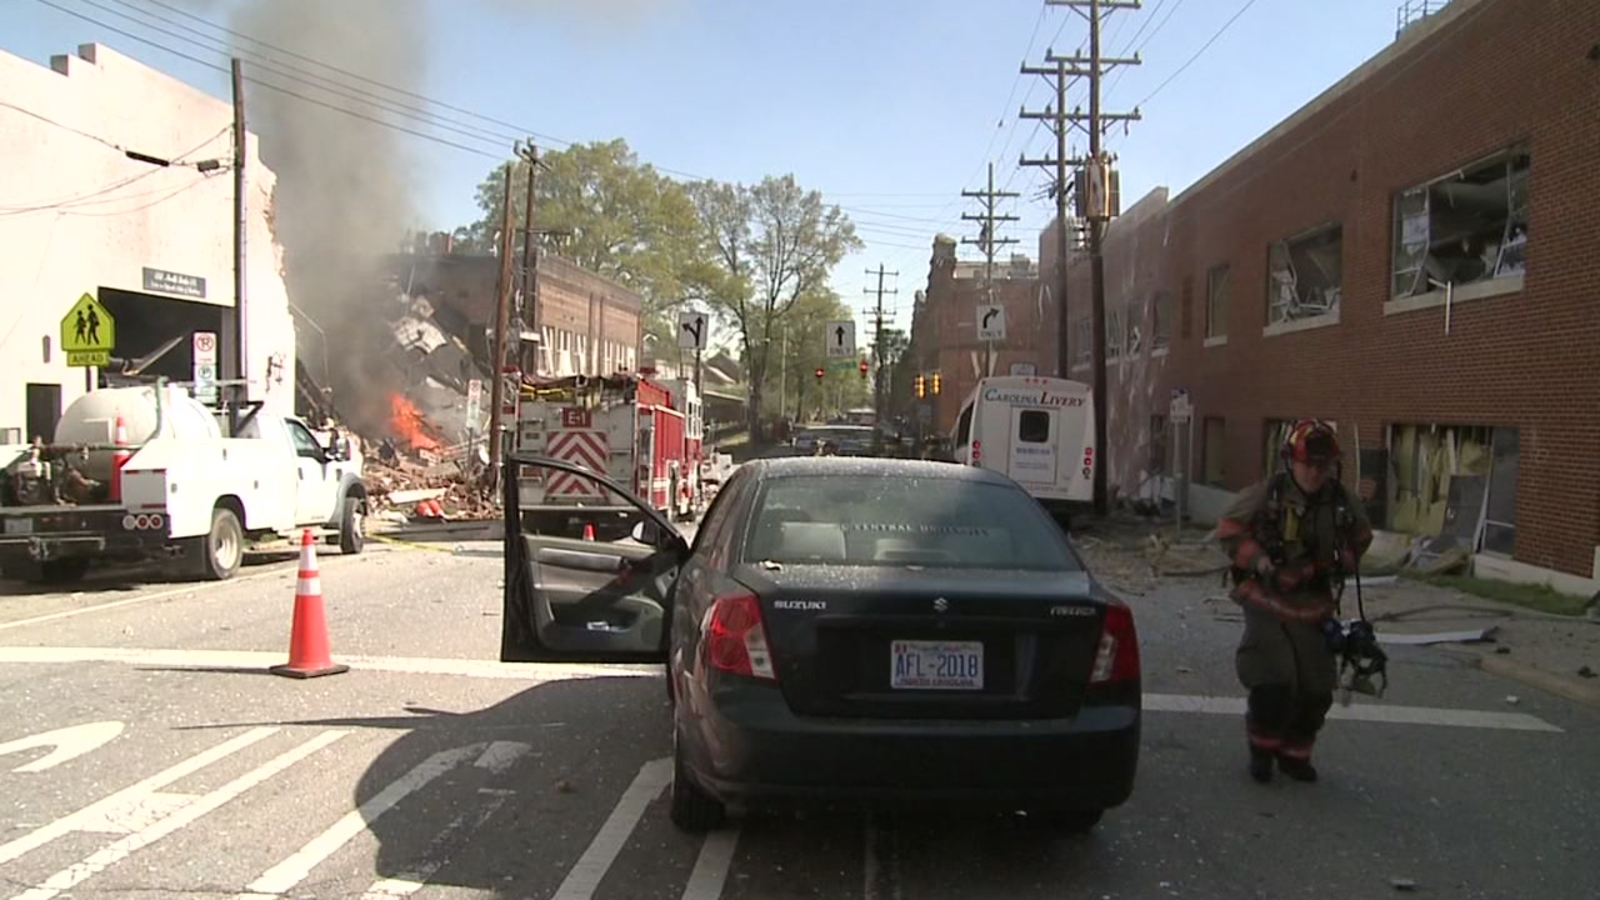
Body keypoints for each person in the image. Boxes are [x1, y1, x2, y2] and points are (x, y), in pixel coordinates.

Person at [1215, 419, 1373, 784]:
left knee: (1316, 689)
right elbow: (1228, 530)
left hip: (1313, 602)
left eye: (1324, 464)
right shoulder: (1266, 494)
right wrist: (1260, 561)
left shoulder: (1341, 502)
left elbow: (1361, 535)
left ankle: (1295, 755)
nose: (1316, 471)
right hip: (1266, 598)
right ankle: (1262, 751)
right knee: (1272, 682)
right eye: (1309, 463)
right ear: (1292, 461)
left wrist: (1341, 561)